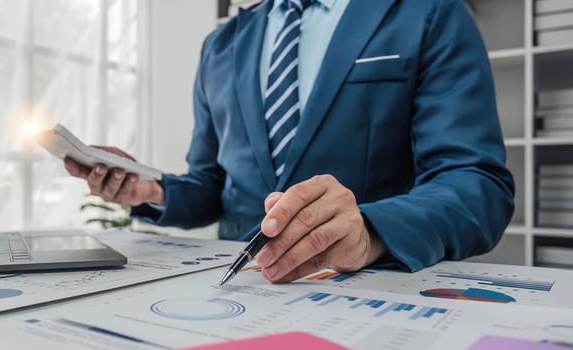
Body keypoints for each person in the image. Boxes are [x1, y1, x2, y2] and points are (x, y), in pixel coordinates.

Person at [63, 0, 515, 283]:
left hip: (364, 287)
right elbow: (213, 184)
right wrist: (151, 189)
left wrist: (371, 231)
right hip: (240, 290)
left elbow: (476, 184)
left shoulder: (428, 11)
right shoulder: (221, 44)